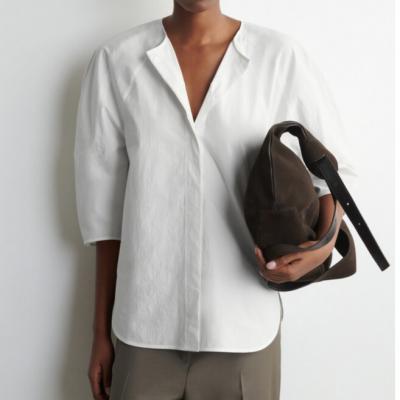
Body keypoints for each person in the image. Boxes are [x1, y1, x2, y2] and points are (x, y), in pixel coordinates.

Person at [73, 1, 358, 399]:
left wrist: (322, 248)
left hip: (243, 326)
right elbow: (105, 215)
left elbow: (332, 174)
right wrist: (100, 332)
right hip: (144, 328)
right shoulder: (115, 61)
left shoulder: (279, 57)